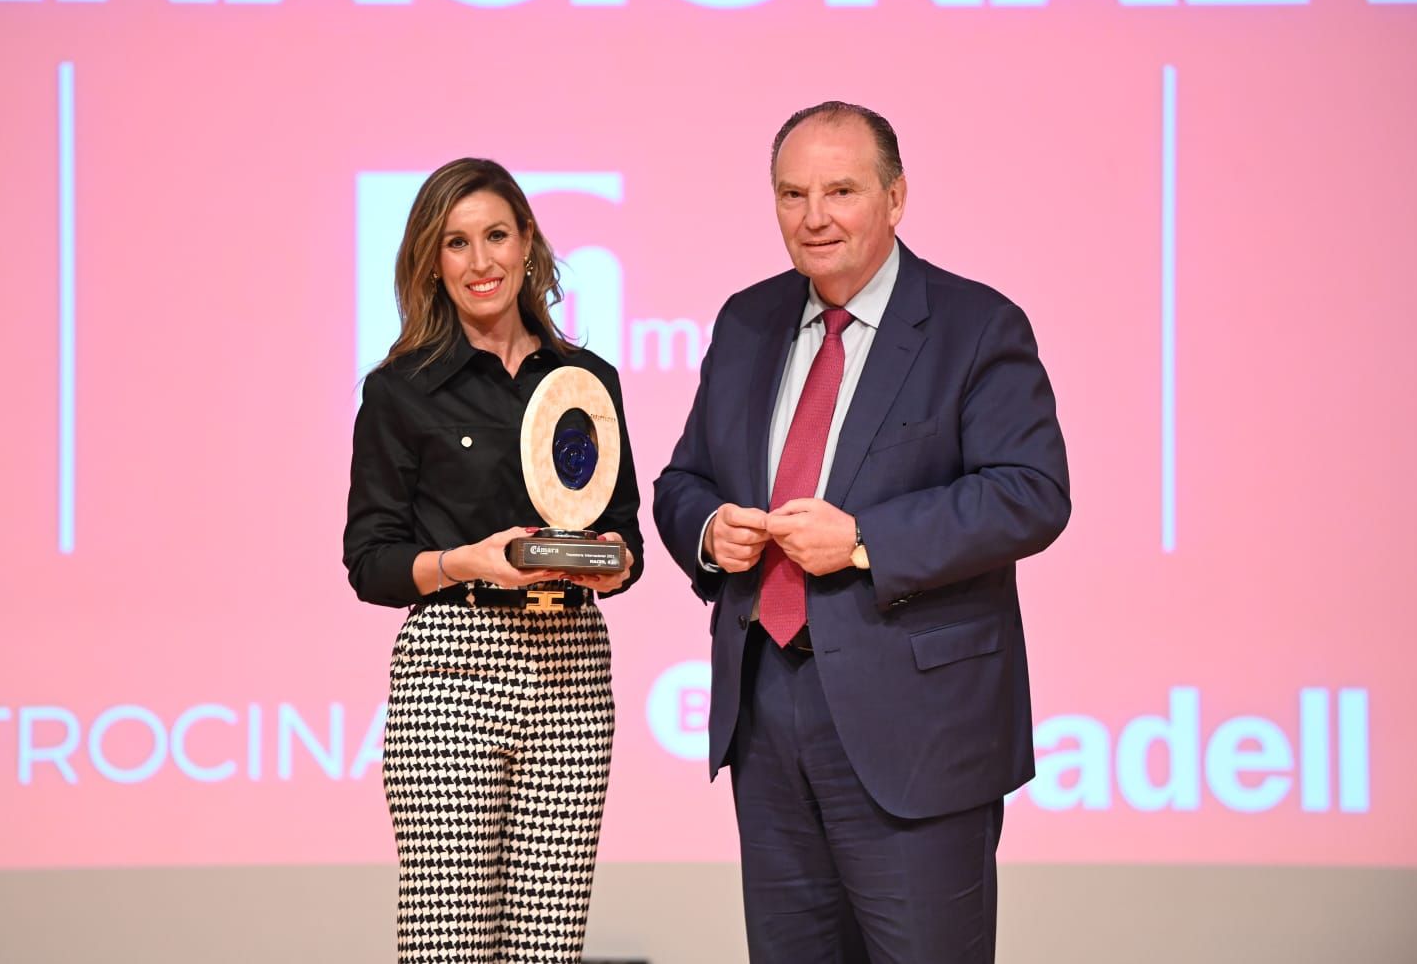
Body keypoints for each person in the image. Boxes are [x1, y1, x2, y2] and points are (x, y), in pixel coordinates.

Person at [653, 101, 1070, 963]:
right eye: (791, 193)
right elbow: (682, 480)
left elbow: (1032, 493)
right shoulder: (745, 322)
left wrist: (864, 538)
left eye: (841, 190)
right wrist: (709, 531)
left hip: (916, 727)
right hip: (765, 716)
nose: (814, 217)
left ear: (896, 196)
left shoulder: (975, 325)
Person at [343, 157, 643, 963]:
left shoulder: (589, 380)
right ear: (431, 263)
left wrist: (611, 564)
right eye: (456, 243)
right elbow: (370, 562)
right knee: (448, 948)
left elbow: (625, 535)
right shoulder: (401, 392)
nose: (481, 262)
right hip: (452, 672)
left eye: (496, 236)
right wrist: (467, 562)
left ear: (528, 243)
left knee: (548, 948)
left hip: (573, 671)